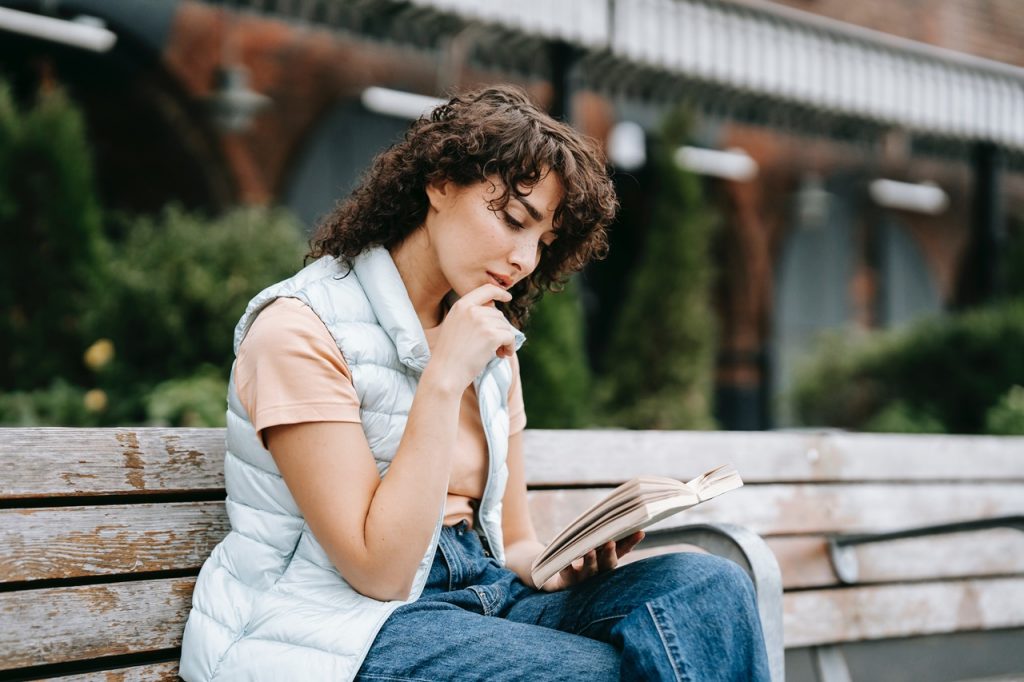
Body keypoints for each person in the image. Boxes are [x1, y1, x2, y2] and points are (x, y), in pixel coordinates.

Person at [179, 85, 770, 681]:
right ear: (439, 184)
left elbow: (513, 543)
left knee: (708, 585)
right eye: (513, 219)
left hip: (480, 593)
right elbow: (377, 571)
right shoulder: (300, 330)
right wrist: (442, 378)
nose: (524, 259)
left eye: (543, 242)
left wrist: (558, 567)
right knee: (597, 673)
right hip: (337, 625)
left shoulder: (489, 345)